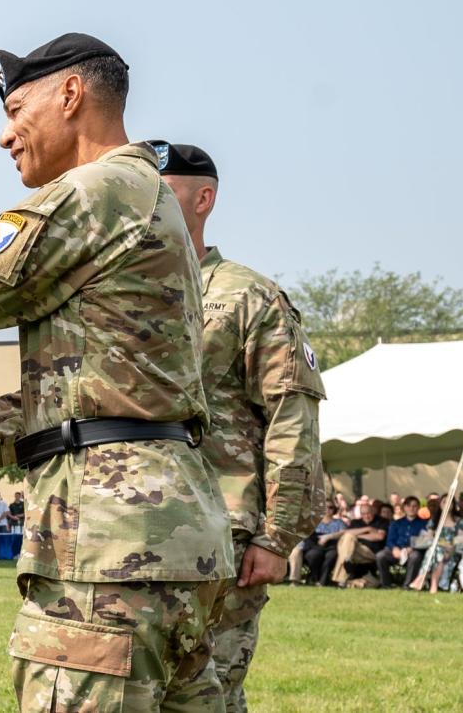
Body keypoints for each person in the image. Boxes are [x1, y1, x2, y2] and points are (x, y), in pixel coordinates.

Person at [0, 33, 235, 709]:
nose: (6, 136)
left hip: (107, 543)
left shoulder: (97, 189)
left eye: (17, 110)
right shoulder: (145, 197)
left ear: (70, 95)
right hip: (170, 536)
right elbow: (79, 397)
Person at [161, 142, 326, 712]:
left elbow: (292, 420)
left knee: (212, 688)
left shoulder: (246, 295)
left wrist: (276, 535)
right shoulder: (122, 293)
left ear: (203, 199)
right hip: (143, 529)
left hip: (225, 534)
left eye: (164, 192)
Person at [322, 500, 389, 586]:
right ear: (360, 514)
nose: (366, 516)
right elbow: (345, 533)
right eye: (363, 514)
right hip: (354, 551)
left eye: (368, 513)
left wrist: (356, 536)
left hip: (371, 552)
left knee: (348, 539)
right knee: (347, 538)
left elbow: (379, 536)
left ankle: (341, 576)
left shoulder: (381, 521)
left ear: (373, 511)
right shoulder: (355, 522)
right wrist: (367, 529)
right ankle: (347, 570)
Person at [376, 495, 428, 589]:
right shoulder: (396, 523)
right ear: (404, 507)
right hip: (397, 549)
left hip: (413, 550)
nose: (411, 508)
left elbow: (424, 540)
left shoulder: (424, 523)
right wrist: (394, 549)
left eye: (414, 506)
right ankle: (386, 584)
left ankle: (407, 585)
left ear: (418, 508)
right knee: (380, 556)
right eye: (409, 506)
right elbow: (390, 540)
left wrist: (411, 548)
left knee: (415, 556)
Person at [411, 500, 459, 593]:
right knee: (437, 552)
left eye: (449, 502)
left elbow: (462, 539)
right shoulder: (434, 521)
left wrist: (450, 547)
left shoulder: (459, 521)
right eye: (444, 502)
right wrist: (441, 544)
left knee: (435, 551)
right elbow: (429, 538)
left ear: (453, 505)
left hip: (453, 550)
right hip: (438, 550)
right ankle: (434, 586)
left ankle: (421, 577)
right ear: (440, 505)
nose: (447, 504)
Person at [293, 503, 346, 585]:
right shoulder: (312, 521)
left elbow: (344, 533)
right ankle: (314, 577)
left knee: (331, 556)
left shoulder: (339, 522)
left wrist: (329, 536)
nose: (327, 509)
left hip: (332, 546)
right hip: (314, 545)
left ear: (334, 509)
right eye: (325, 507)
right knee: (313, 555)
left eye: (330, 507)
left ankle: (323, 581)